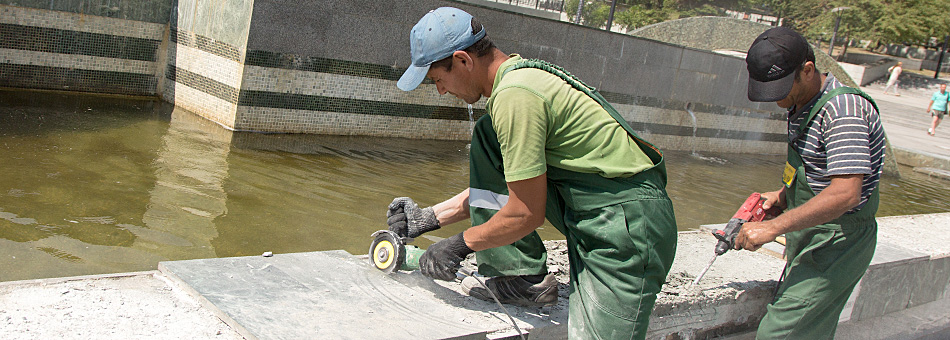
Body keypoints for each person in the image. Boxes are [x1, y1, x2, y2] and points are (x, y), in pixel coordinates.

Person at [386, 7, 677, 339]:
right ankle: (519, 276)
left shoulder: (516, 96)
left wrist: (460, 244)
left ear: (463, 60)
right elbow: (511, 187)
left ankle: (521, 274)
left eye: (439, 79)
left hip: (628, 229)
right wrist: (430, 217)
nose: (440, 90)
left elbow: (525, 212)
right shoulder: (518, 80)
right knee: (488, 136)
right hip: (602, 213)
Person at [735, 27, 885, 339]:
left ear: (807, 70)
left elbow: (845, 194)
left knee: (779, 333)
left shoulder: (844, 113)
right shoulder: (803, 102)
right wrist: (782, 196)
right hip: (813, 231)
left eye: (781, 87)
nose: (776, 99)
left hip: (838, 239)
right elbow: (818, 170)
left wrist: (773, 228)